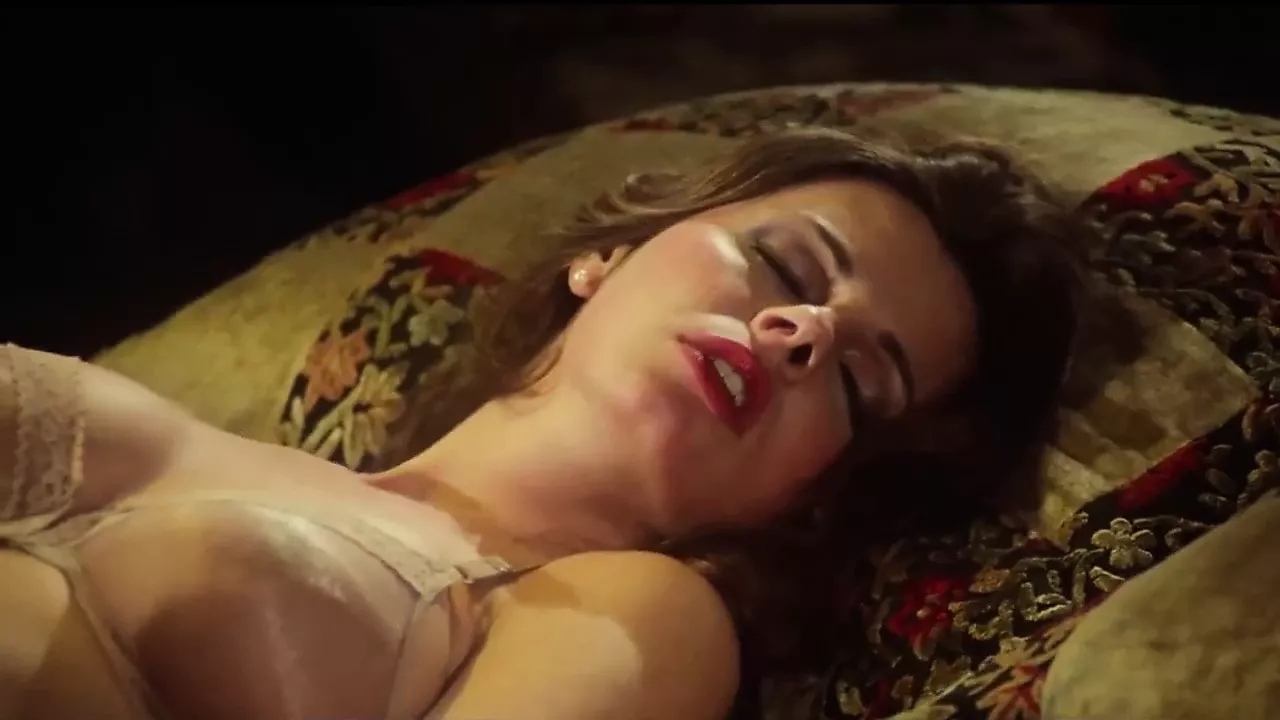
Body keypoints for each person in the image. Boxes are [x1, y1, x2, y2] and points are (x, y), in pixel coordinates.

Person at [0, 127, 1090, 720]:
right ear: (603, 256)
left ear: (812, 490)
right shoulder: (164, 432)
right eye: (786, 265)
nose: (801, 330)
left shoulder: (647, 613)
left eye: (857, 383)